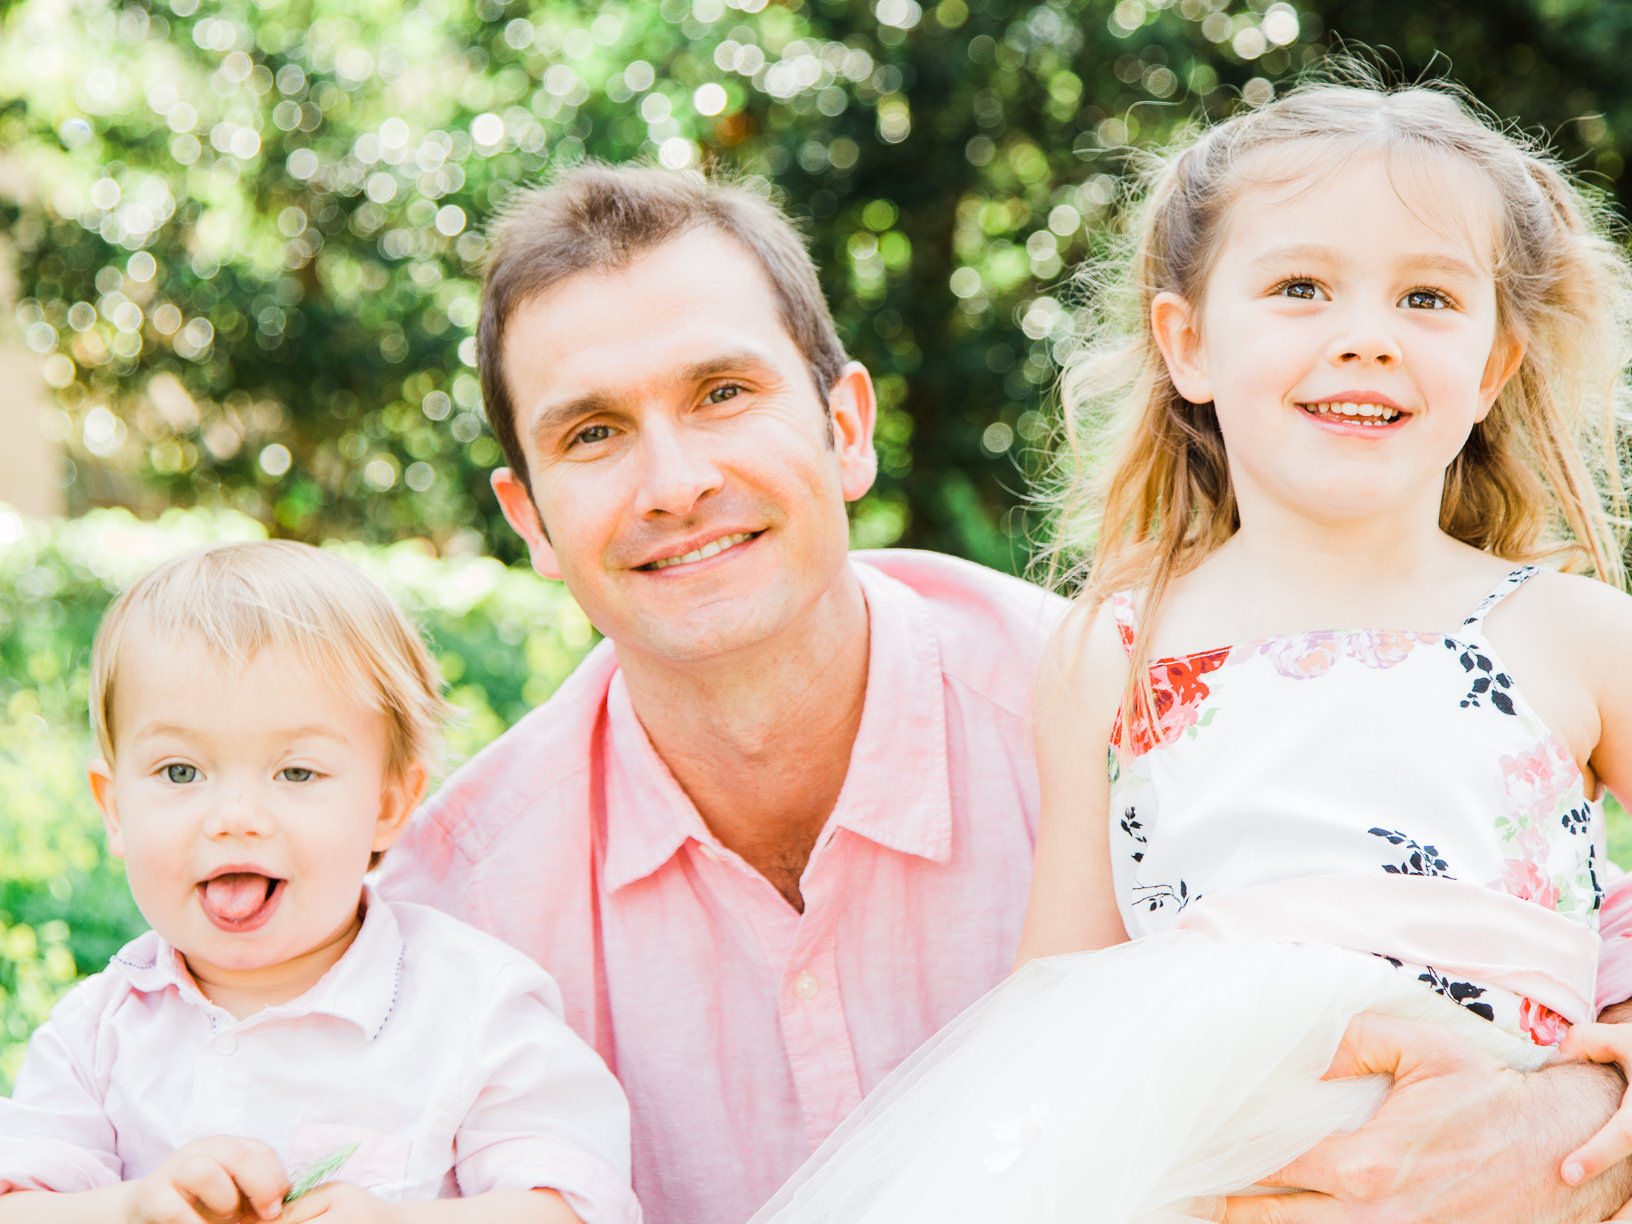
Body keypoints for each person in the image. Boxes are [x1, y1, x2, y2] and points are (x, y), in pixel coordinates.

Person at [379, 160, 1632, 1224]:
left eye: (725, 393)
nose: (673, 480)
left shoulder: (1150, 700)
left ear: (848, 426)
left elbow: (1538, 893)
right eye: (592, 433)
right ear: (528, 520)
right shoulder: (448, 918)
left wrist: (1574, 1115)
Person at [743, 77, 1632, 1224]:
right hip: (1217, 1174)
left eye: (1426, 298)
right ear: (1190, 344)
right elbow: (1058, 996)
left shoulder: (1576, 633)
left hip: (1505, 1165)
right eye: (1300, 289)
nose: (1366, 338)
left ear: (1495, 366)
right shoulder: (1117, 648)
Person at [0, 542, 638, 1224]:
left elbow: (576, 1205)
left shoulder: (474, 1009)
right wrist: (131, 1208)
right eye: (181, 772)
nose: (234, 818)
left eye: (296, 773)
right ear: (115, 808)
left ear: (388, 806)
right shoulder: (95, 1035)